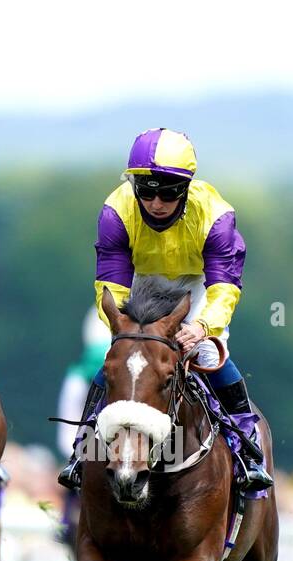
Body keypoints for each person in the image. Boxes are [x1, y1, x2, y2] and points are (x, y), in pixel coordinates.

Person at [58, 128, 273, 493]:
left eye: (169, 192)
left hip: (196, 283)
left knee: (206, 352)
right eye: (147, 191)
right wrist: (121, 326)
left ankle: (247, 447)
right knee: (122, 356)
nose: (156, 202)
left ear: (186, 188)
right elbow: (110, 282)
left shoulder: (216, 216)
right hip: (140, 283)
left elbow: (225, 286)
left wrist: (204, 326)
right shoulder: (116, 211)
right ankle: (85, 445)